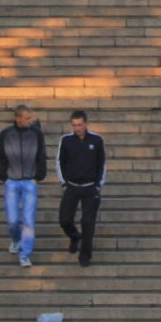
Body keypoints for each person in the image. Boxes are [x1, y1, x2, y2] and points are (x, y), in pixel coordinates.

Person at [0, 106, 47, 266]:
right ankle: (16, 239)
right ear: (18, 118)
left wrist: (38, 177)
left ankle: (25, 253)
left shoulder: (36, 134)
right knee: (13, 220)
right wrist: (4, 177)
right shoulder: (6, 134)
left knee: (29, 220)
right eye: (27, 118)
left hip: (30, 181)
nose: (30, 121)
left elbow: (41, 156)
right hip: (12, 182)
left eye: (31, 118)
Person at [57, 110, 107, 265]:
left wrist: (98, 184)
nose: (77, 128)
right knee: (64, 220)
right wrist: (64, 183)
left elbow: (102, 163)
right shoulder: (65, 140)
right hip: (71, 186)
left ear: (85, 123)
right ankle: (74, 236)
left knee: (87, 222)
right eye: (74, 125)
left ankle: (85, 256)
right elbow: (59, 162)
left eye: (79, 124)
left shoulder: (97, 140)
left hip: (90, 187)